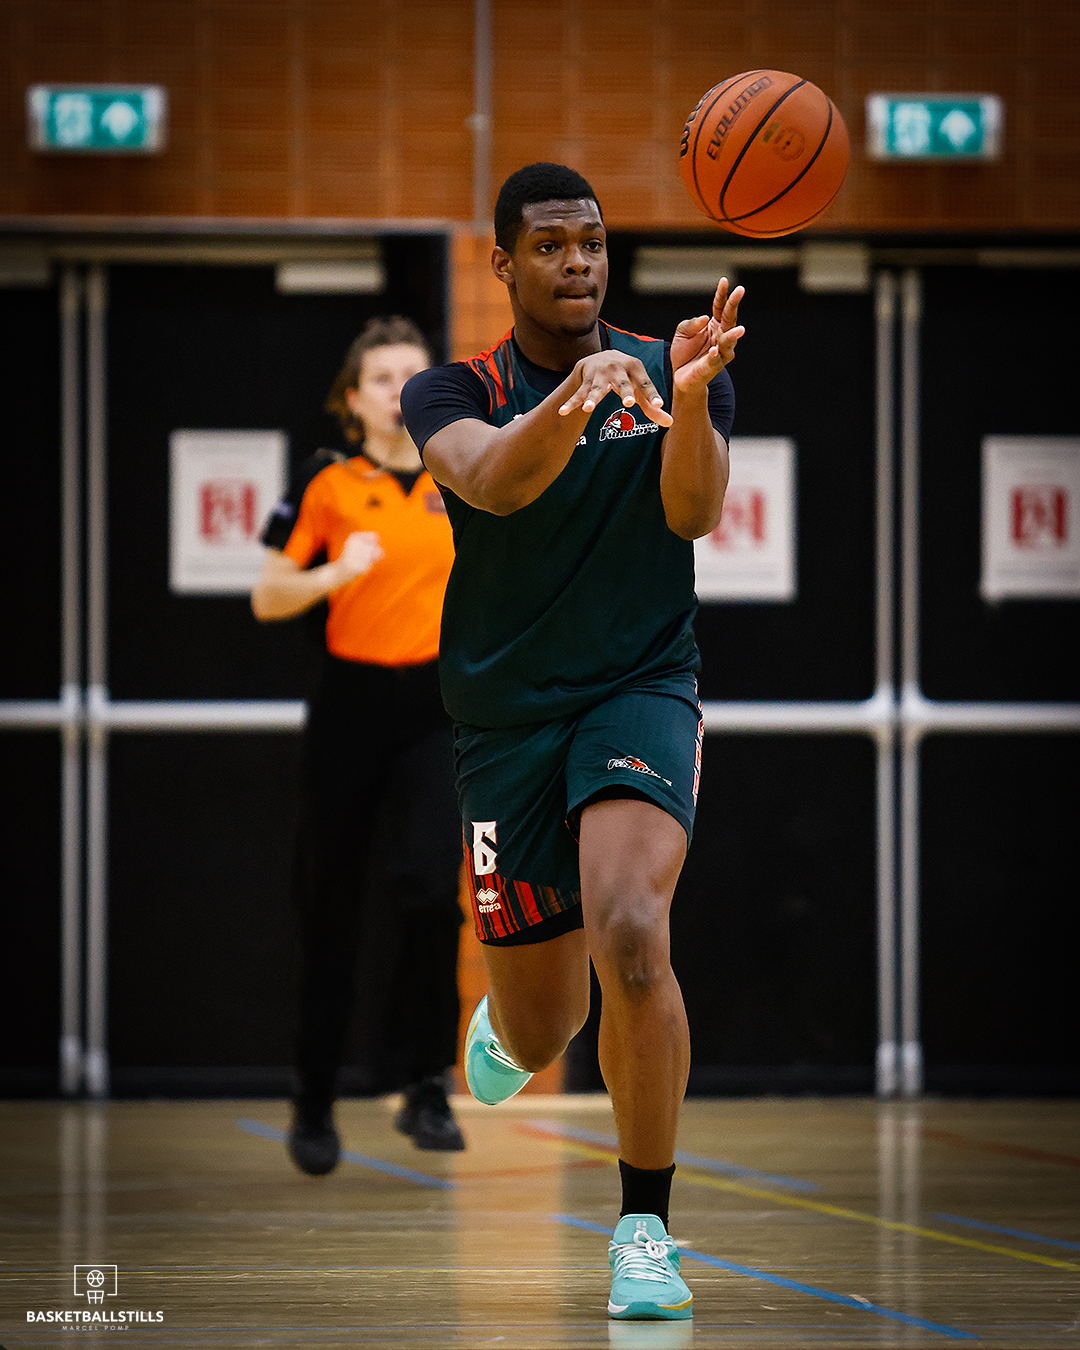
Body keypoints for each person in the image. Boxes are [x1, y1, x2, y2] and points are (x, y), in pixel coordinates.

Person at [401, 162, 744, 1322]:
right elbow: (491, 483)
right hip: (505, 719)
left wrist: (686, 398)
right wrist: (574, 401)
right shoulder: (453, 389)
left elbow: (693, 513)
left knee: (633, 932)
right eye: (550, 246)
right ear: (504, 263)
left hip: (640, 686)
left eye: (591, 242)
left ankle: (644, 1229)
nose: (578, 263)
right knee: (547, 1023)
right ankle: (509, 1029)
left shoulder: (670, 364)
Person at [252, 316, 466, 1174]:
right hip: (350, 706)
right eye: (381, 377)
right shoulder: (328, 481)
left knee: (432, 892)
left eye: (413, 373)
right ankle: (313, 1099)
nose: (398, 388)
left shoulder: (461, 475)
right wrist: (334, 573)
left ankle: (426, 1082)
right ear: (352, 399)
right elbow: (268, 595)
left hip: (435, 709)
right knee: (329, 904)